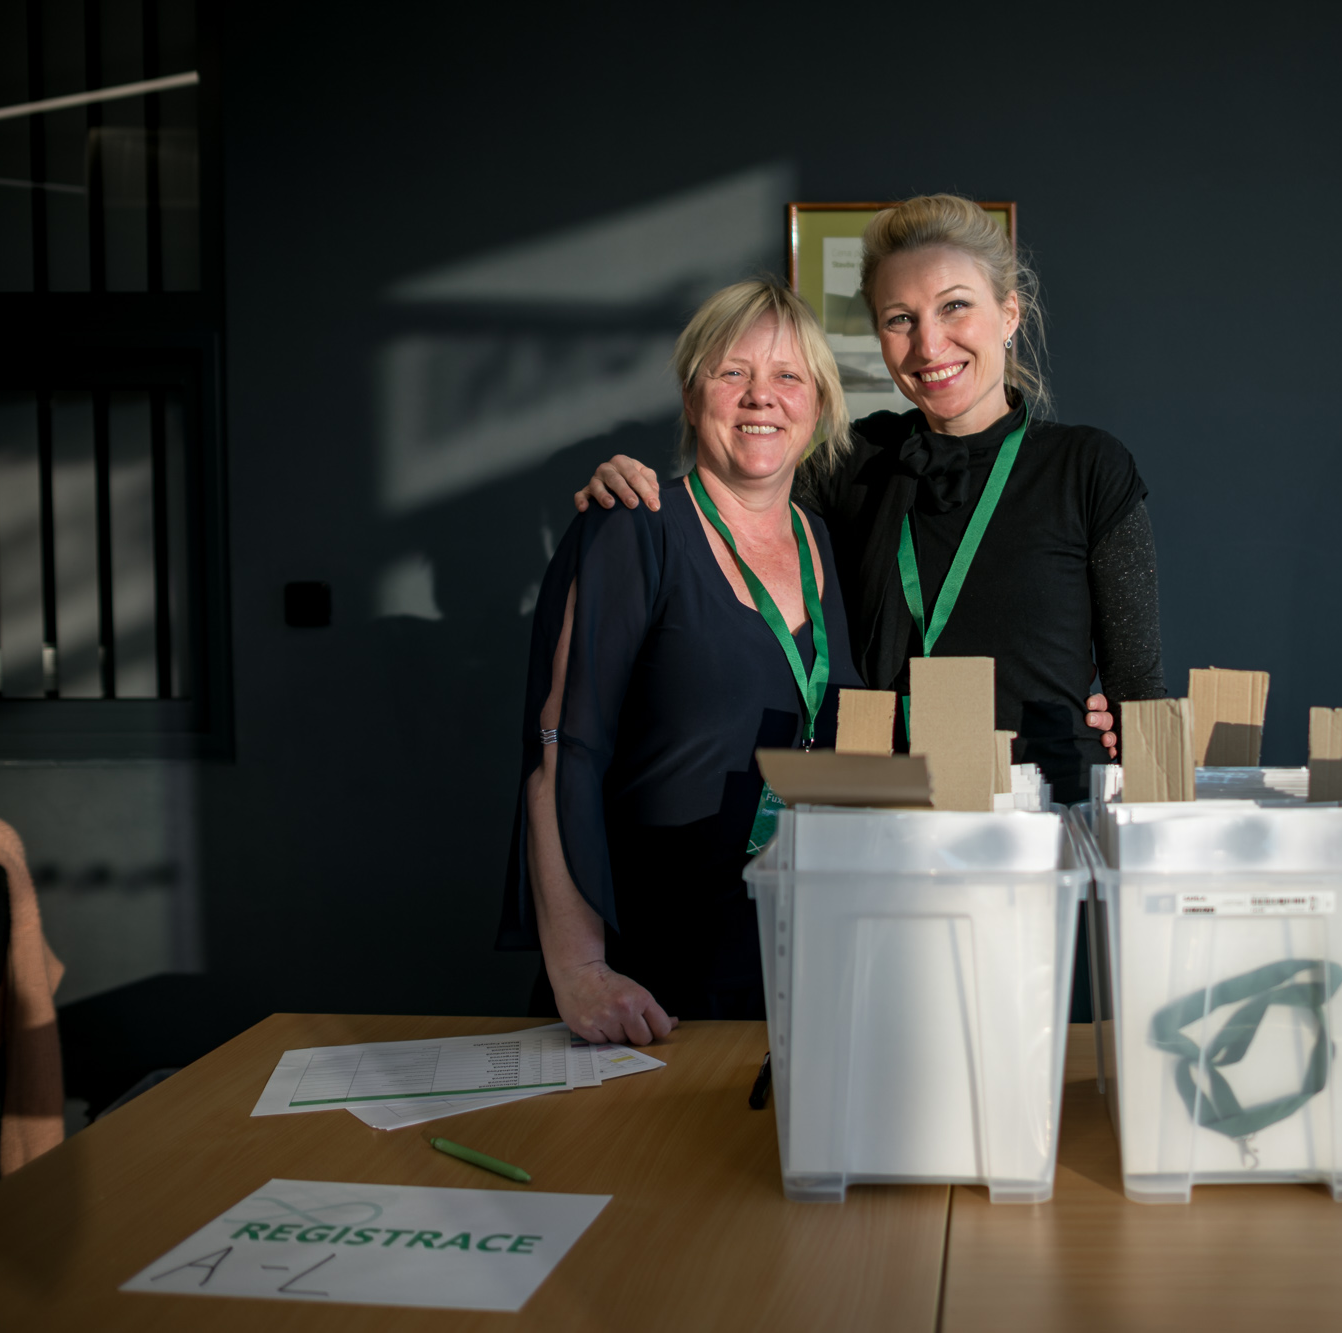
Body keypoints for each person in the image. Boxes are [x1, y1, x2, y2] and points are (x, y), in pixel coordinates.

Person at [576, 195, 1165, 805]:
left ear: (1009, 312)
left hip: (1046, 821)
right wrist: (639, 489)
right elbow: (736, 510)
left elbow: (1139, 693)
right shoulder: (853, 461)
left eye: (955, 306)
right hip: (882, 819)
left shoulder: (1088, 467)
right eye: (900, 319)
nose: (929, 345)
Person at [498, 279, 863, 1043]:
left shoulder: (820, 541)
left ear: (821, 405)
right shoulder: (633, 529)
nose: (761, 396)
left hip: (787, 960)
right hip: (653, 974)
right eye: (733, 372)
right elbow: (558, 758)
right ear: (693, 395)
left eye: (788, 376)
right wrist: (581, 969)